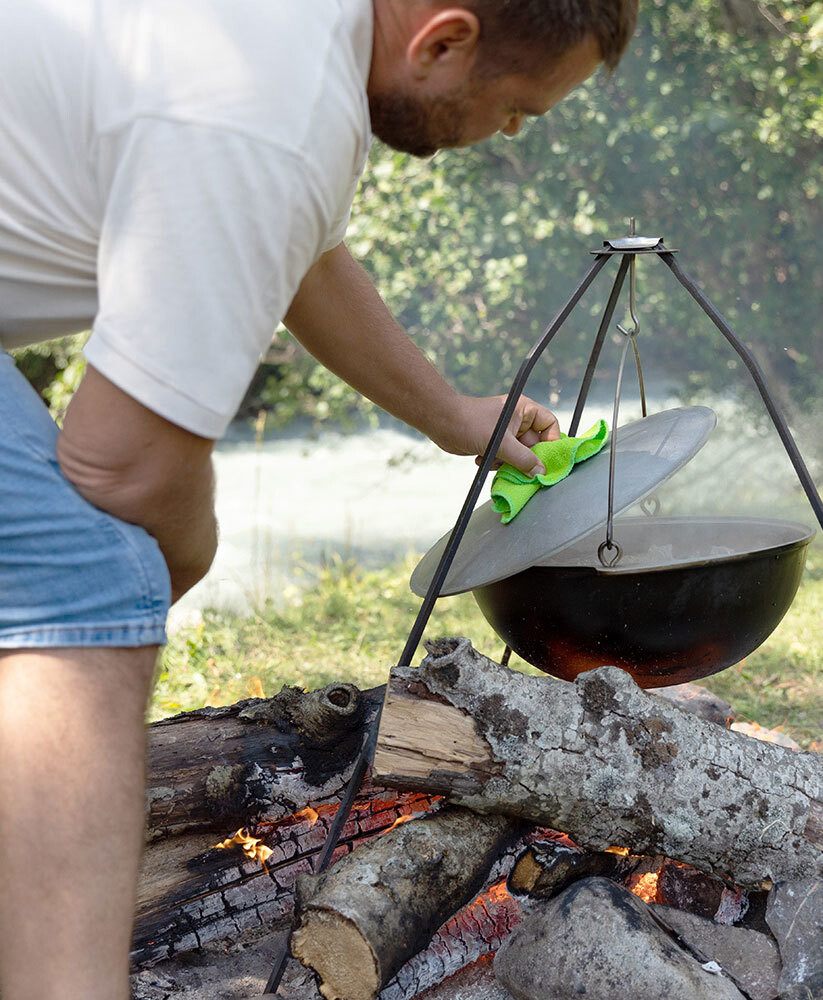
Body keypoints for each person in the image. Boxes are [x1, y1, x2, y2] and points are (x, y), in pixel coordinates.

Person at [0, 0, 638, 996]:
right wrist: (182, 550)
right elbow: (119, 465)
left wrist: (452, 415)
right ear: (444, 41)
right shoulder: (270, 110)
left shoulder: (293, 38)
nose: (504, 136)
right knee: (89, 590)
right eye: (515, 111)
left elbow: (304, 255)